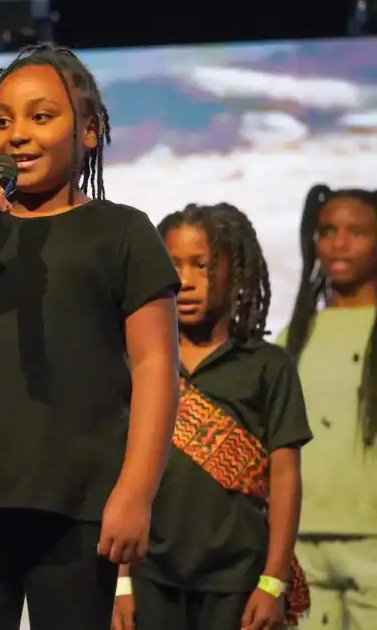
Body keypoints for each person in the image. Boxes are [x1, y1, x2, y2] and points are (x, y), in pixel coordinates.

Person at [0, 43, 182, 630]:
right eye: (2, 121)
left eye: (41, 116)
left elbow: (156, 366)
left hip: (77, 499)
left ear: (89, 131)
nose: (17, 135)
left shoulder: (122, 232)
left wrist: (136, 491)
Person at [112, 203, 312, 630]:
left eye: (201, 265)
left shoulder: (267, 366)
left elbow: (284, 477)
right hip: (150, 576)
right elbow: (117, 469)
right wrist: (121, 582)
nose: (184, 281)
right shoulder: (138, 363)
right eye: (173, 265)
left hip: (239, 581)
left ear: (234, 272)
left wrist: (273, 582)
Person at [278, 186, 377, 630]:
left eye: (357, 232)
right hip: (302, 539)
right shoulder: (296, 337)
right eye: (328, 231)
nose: (339, 243)